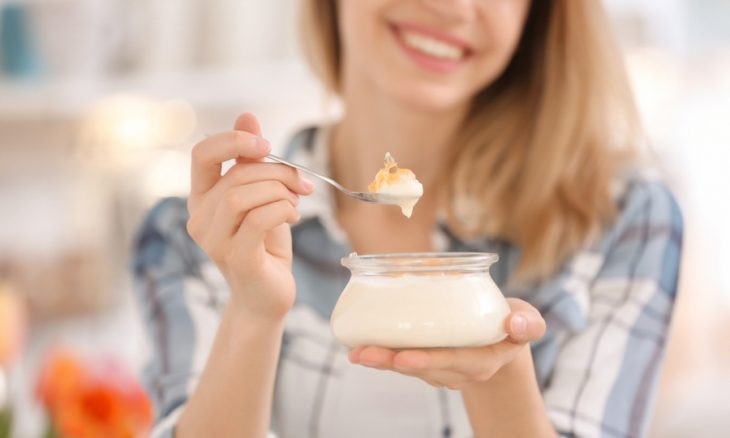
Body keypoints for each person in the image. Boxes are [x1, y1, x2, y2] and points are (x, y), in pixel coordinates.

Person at [133, 1, 683, 437]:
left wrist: (499, 377)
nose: (452, 5)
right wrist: (252, 312)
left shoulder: (624, 218)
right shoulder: (208, 234)